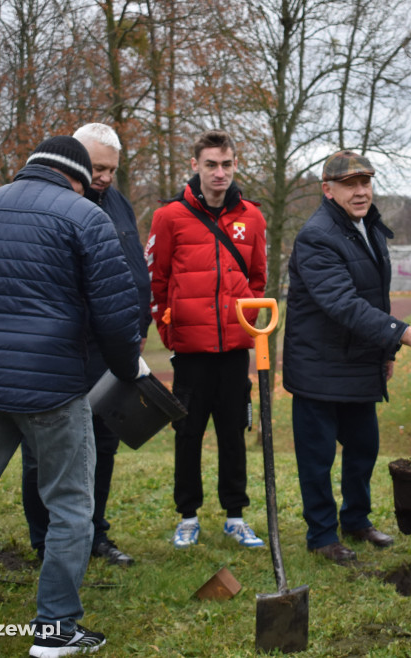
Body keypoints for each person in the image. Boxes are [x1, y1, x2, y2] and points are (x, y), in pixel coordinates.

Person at [0, 136, 145, 658]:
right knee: (69, 506)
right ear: (80, 178)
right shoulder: (87, 218)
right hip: (53, 391)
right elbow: (116, 317)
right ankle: (55, 629)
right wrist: (124, 373)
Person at [283, 150, 411, 563]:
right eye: (350, 184)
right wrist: (403, 334)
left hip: (357, 362)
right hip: (318, 367)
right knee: (316, 460)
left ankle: (355, 520)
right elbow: (342, 303)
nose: (360, 191)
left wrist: (384, 350)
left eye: (365, 182)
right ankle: (321, 535)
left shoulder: (369, 228)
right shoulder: (317, 236)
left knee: (363, 447)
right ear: (328, 190)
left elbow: (375, 297)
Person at [20, 123, 152, 568]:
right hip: (63, 351)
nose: (105, 177)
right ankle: (47, 542)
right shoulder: (59, 204)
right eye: (97, 167)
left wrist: (140, 323)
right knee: (46, 451)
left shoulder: (118, 204)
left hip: (112, 350)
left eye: (112, 169)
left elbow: (135, 269)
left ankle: (94, 534)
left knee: (103, 443)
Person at [147, 130, 268, 550]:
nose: (220, 172)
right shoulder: (168, 217)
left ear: (236, 165)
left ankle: (236, 516)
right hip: (191, 353)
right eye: (212, 164)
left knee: (233, 434)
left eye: (227, 164)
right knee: (188, 433)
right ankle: (188, 516)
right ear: (195, 165)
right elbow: (156, 281)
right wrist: (170, 329)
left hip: (235, 351)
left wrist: (246, 322)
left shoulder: (252, 217)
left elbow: (256, 279)